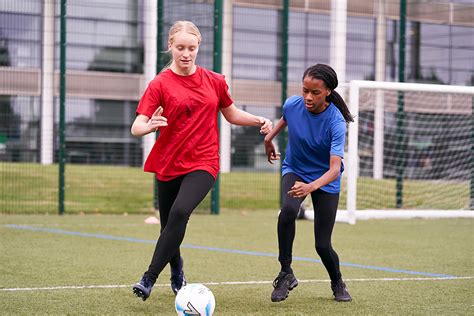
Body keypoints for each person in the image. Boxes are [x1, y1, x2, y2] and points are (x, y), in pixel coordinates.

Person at [130, 20, 272, 301]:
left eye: (191, 48)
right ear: (170, 46)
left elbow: (231, 114)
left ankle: (148, 278)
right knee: (169, 224)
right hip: (169, 162)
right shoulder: (159, 84)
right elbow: (137, 126)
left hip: (204, 161)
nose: (186, 53)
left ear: (198, 48)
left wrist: (259, 119)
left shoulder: (215, 80)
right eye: (180, 47)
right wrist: (148, 126)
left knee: (181, 212)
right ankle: (177, 269)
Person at [264, 63, 354, 303]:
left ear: (327, 92)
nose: (308, 97)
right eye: (305, 90)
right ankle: (285, 273)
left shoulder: (335, 121)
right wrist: (269, 140)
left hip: (325, 178)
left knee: (322, 245)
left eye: (315, 92)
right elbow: (285, 120)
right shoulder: (293, 104)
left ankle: (337, 281)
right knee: (287, 213)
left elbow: (335, 169)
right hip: (295, 169)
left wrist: (311, 186)